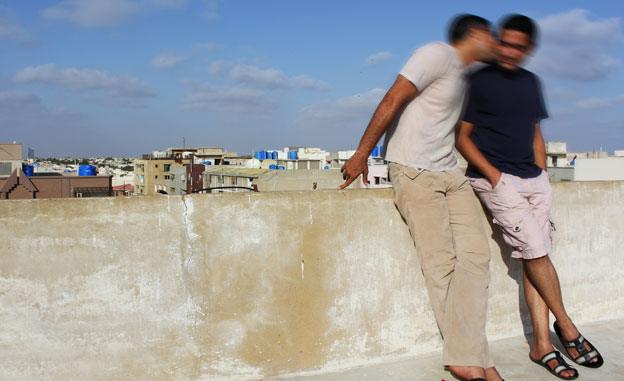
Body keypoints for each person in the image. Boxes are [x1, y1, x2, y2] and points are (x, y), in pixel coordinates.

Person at [340, 14, 502, 381]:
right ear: (475, 35)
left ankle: (470, 356)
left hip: (449, 172)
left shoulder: (465, 77)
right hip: (413, 170)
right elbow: (394, 96)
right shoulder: (435, 54)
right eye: (490, 36)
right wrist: (362, 153)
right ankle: (477, 362)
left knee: (476, 259)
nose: (494, 43)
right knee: (441, 264)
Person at [456, 14, 604, 381]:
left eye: (517, 47)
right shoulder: (478, 81)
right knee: (537, 252)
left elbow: (534, 128)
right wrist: (495, 178)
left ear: (529, 50)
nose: (508, 51)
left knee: (534, 258)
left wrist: (542, 173)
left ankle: (541, 345)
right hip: (497, 180)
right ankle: (567, 328)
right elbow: (462, 137)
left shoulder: (530, 82)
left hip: (533, 179)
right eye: (503, 43)